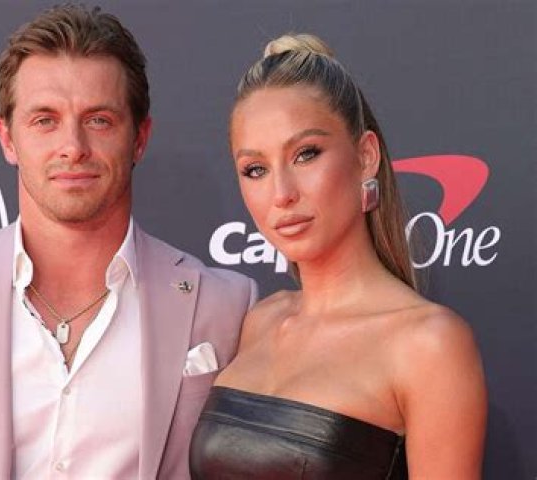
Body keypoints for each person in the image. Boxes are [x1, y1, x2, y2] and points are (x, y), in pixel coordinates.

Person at [0, 5, 256, 479]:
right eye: (45, 120)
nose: (73, 147)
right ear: (7, 139)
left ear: (140, 138)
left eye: (99, 120)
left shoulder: (222, 305)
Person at [189, 33, 487, 479]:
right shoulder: (261, 321)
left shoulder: (429, 344)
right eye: (255, 169)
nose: (282, 194)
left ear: (366, 156)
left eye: (306, 154)